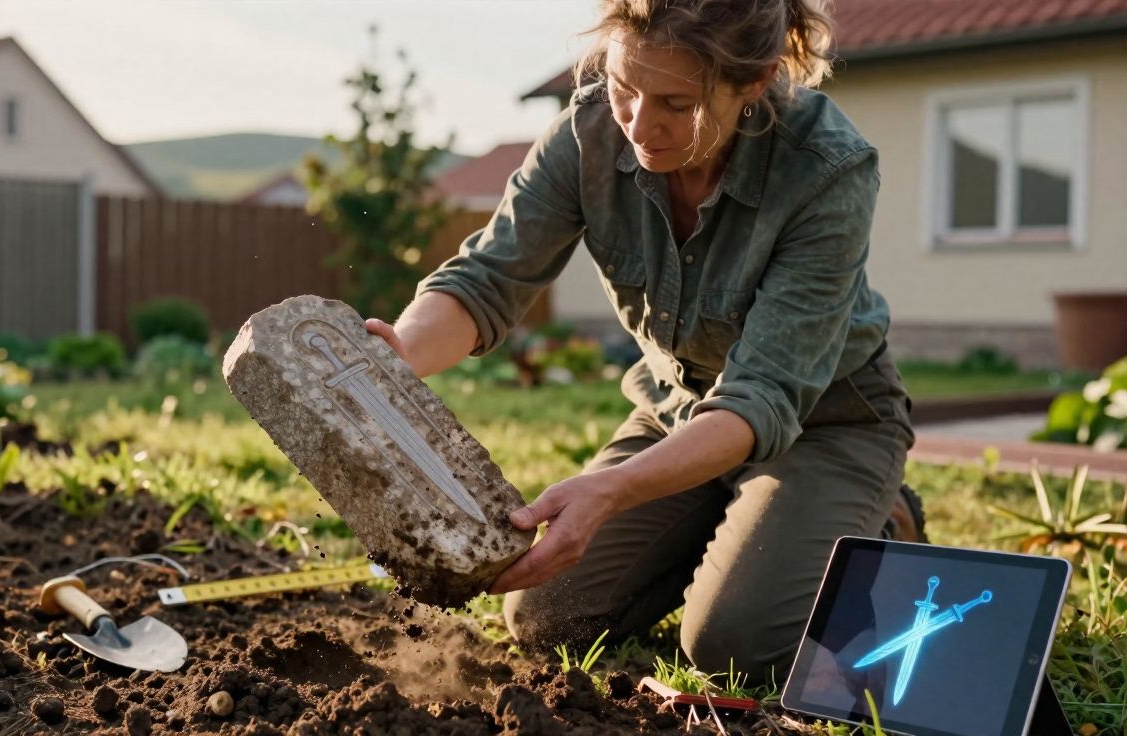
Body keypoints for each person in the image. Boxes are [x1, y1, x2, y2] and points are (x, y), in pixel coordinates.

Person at [366, 0, 925, 685]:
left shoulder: (828, 169)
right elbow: (488, 278)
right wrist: (395, 360)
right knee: (545, 619)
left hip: (826, 423)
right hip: (679, 409)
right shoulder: (589, 132)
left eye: (676, 102)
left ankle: (882, 519)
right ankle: (740, 523)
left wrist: (611, 491)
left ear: (755, 83)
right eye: (625, 88)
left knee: (738, 646)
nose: (637, 122)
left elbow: (765, 396)